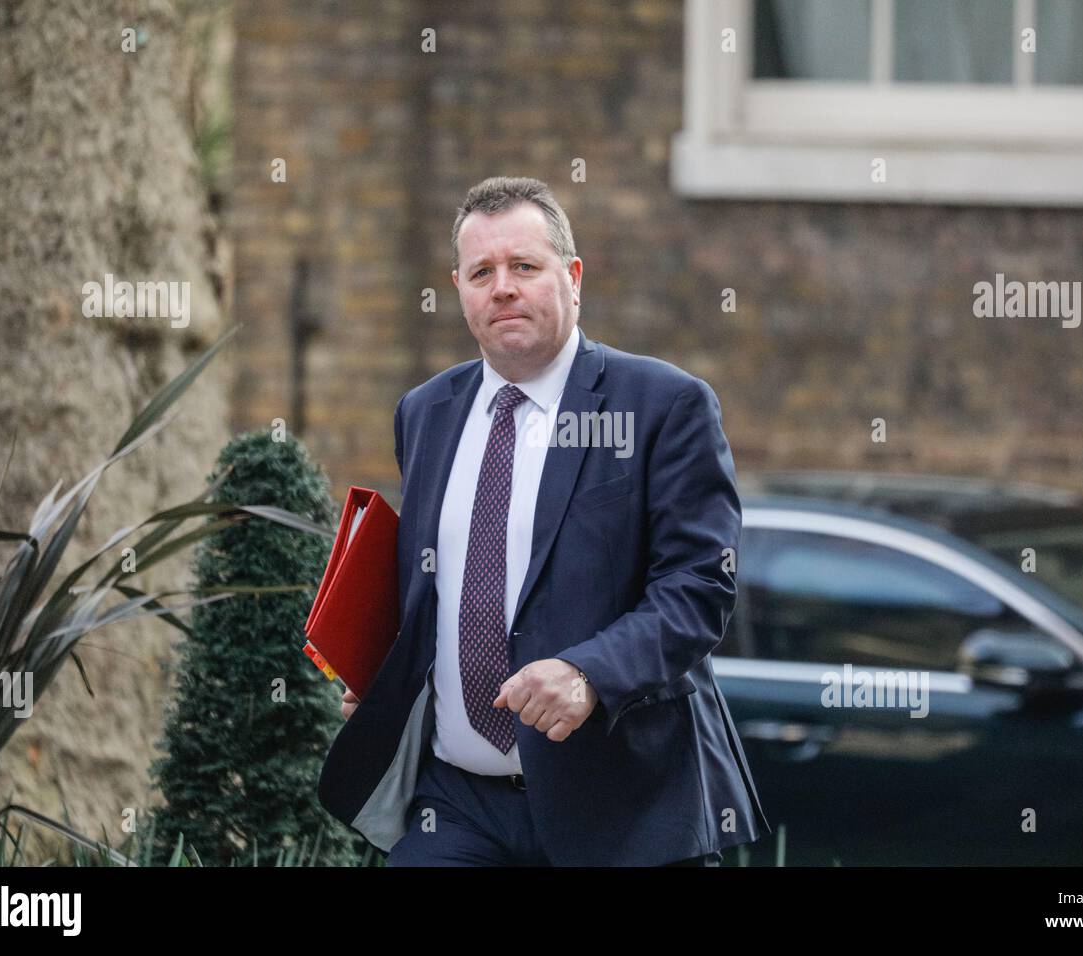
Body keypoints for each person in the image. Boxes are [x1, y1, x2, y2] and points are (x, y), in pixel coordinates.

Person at [318, 175, 769, 866]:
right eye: (482, 272)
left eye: (524, 266)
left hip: (624, 808)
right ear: (460, 288)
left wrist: (589, 674)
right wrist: (382, 675)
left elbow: (699, 589)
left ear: (573, 276)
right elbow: (438, 584)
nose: (503, 287)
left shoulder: (663, 405)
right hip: (456, 805)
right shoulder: (426, 413)